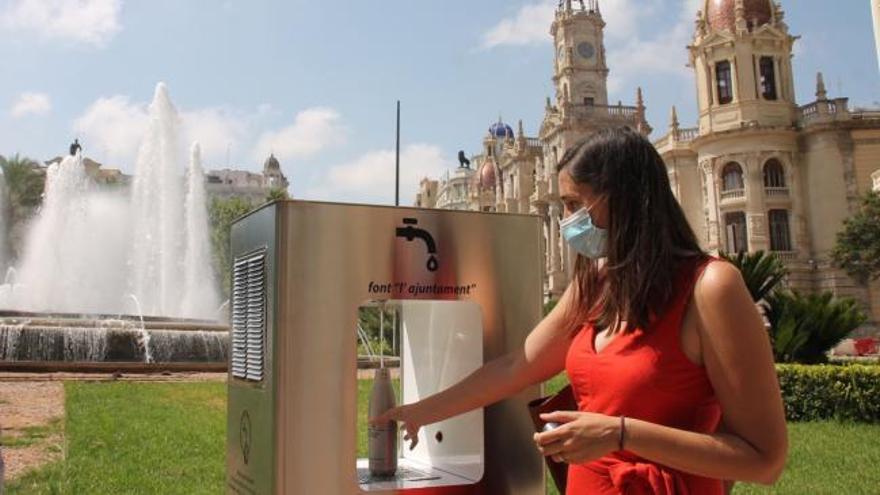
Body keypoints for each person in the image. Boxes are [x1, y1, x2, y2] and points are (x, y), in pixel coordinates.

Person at [372, 126, 787, 494]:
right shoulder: (596, 284)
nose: (567, 221)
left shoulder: (711, 287)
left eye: (574, 205)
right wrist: (422, 413)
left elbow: (764, 459)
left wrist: (622, 434)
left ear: (623, 200)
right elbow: (517, 366)